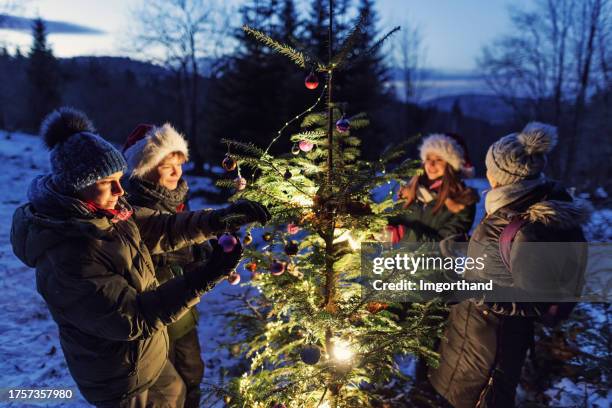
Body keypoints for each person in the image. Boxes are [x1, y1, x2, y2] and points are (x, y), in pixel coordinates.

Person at [10, 107, 271, 407]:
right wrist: (205, 276)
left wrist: (221, 219)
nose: (121, 190)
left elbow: (162, 228)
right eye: (109, 182)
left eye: (120, 178)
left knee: (178, 393)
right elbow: (134, 317)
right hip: (120, 377)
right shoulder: (70, 255)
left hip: (149, 357)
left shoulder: (109, 213)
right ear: (77, 186)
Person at [429, 122, 589, 408]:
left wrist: (476, 291)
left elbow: (535, 300)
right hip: (473, 338)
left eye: (489, 167)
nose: (486, 172)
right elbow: (503, 257)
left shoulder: (530, 225)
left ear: (500, 175)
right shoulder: (514, 203)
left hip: (489, 352)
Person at [121, 123, 204, 408]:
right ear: (144, 168)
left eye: (179, 164)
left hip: (184, 308)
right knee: (167, 385)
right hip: (155, 311)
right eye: (167, 165)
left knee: (193, 370)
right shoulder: (133, 207)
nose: (176, 172)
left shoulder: (178, 199)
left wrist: (203, 253)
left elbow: (189, 241)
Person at [388, 133, 479, 244]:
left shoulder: (463, 201)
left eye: (439, 159)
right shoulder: (409, 191)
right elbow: (392, 221)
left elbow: (445, 245)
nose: (431, 164)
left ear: (452, 165)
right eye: (428, 158)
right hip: (397, 261)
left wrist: (403, 235)